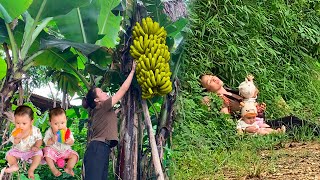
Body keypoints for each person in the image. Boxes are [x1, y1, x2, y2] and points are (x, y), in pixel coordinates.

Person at [200, 74, 320, 134]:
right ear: (207, 89)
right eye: (209, 81)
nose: (214, 78)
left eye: (212, 76)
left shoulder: (231, 91)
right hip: (256, 127)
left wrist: (258, 108)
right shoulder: (220, 100)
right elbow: (227, 120)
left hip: (261, 121)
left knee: (292, 118)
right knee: (293, 125)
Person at [82, 62, 136, 180]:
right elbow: (123, 90)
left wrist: (119, 111)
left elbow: (109, 118)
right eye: (101, 92)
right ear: (97, 99)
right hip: (98, 149)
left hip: (102, 149)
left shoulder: (100, 110)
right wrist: (132, 71)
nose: (105, 93)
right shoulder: (103, 105)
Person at [4, 105, 43, 180]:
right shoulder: (15, 131)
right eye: (18, 123)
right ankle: (14, 165)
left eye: (24, 123)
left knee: (39, 153)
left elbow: (39, 140)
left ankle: (31, 170)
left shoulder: (35, 130)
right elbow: (15, 142)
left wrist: (37, 146)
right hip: (19, 151)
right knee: (9, 154)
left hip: (31, 151)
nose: (20, 126)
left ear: (31, 122)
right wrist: (18, 138)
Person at [43, 107, 78, 177]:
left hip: (65, 152)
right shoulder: (49, 131)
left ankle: (69, 168)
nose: (60, 126)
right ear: (50, 123)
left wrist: (69, 141)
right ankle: (53, 169)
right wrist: (52, 140)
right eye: (56, 124)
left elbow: (72, 141)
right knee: (47, 153)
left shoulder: (67, 131)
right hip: (54, 152)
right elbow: (46, 142)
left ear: (66, 121)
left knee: (74, 156)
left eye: (62, 123)